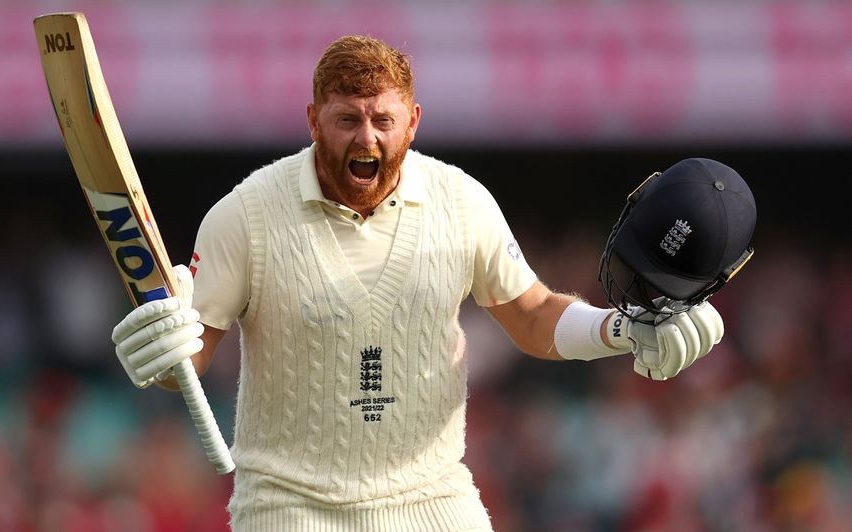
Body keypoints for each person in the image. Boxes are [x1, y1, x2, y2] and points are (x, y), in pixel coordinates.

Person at [111, 35, 732, 531]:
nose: (367, 138)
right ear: (312, 121)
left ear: (413, 121)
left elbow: (534, 313)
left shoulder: (461, 201)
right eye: (346, 119)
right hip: (289, 507)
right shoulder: (244, 215)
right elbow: (189, 360)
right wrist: (165, 348)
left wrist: (620, 328)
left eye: (383, 120)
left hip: (433, 500)